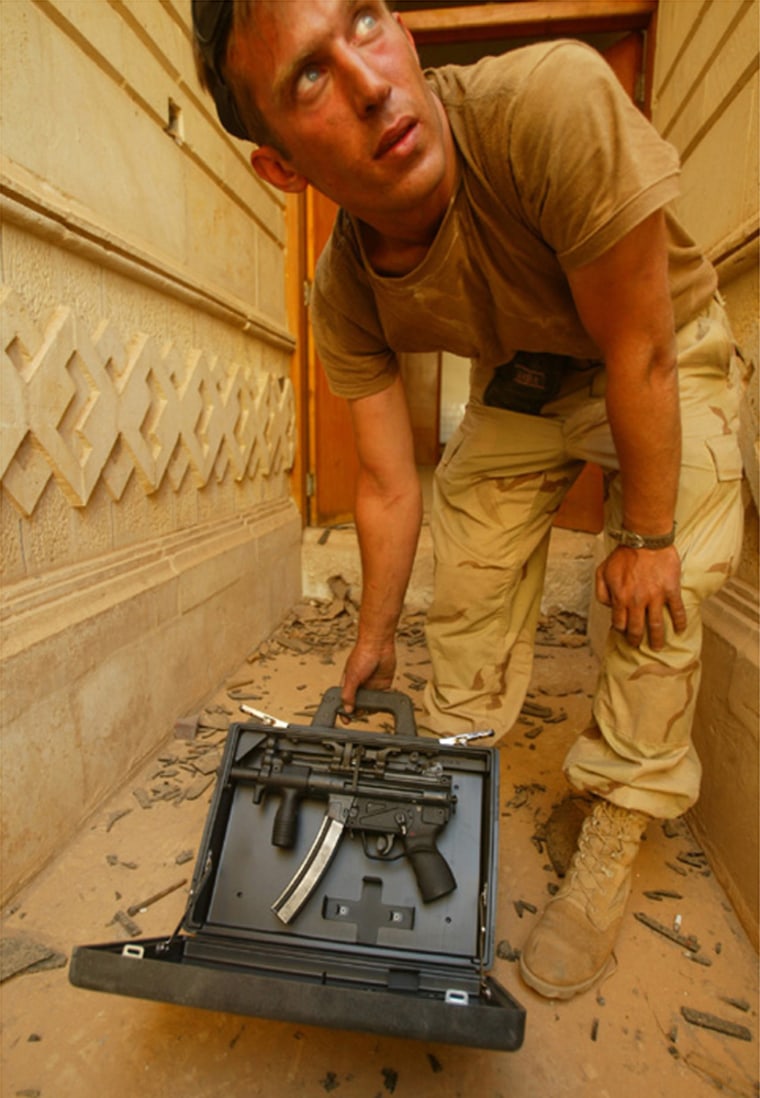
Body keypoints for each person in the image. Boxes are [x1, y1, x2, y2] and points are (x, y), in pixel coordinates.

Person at [191, 0, 745, 1000]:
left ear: (400, 27)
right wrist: (374, 632)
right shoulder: (345, 291)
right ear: (280, 165)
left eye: (364, 21)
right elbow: (387, 480)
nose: (369, 85)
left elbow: (644, 348)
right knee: (471, 577)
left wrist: (648, 534)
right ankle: (456, 775)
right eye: (308, 78)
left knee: (659, 592)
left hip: (656, 345)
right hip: (526, 378)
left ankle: (616, 823)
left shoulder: (552, 100)